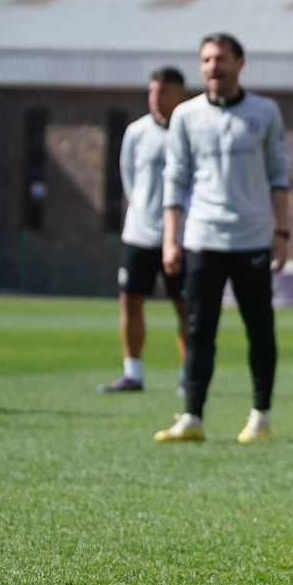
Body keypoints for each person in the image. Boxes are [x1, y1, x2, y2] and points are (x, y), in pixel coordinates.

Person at [155, 35, 290, 443]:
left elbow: (279, 174)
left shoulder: (264, 111)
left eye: (221, 59)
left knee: (259, 330)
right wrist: (171, 239)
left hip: (251, 239)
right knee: (199, 330)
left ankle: (261, 417)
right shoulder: (186, 115)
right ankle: (192, 418)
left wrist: (282, 232)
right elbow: (175, 179)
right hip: (202, 237)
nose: (213, 67)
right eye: (206, 60)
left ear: (239, 63)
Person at [98, 66, 190, 395]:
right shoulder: (136, 132)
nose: (155, 98)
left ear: (179, 93)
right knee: (130, 300)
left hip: (183, 237)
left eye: (162, 91)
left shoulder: (191, 129)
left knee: (186, 307)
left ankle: (188, 378)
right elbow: (129, 179)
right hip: (140, 234)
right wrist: (144, 211)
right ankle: (132, 373)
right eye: (151, 91)